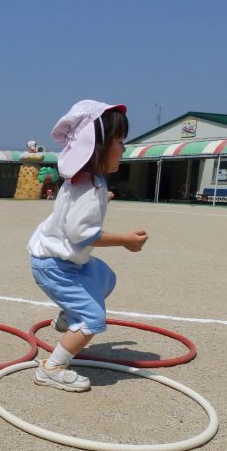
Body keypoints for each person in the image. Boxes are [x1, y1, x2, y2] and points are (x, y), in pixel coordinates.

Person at [27, 100, 148, 392]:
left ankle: (69, 315)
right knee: (93, 319)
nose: (124, 148)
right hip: (55, 265)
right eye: (120, 141)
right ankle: (52, 368)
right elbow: (82, 234)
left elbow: (74, 215)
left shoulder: (86, 182)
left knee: (105, 277)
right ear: (98, 147)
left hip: (57, 258)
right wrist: (125, 241)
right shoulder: (90, 189)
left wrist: (101, 202)